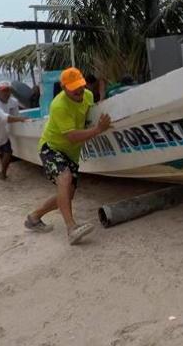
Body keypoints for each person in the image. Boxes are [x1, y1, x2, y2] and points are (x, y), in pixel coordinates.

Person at [24, 67, 112, 245]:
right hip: (52, 147)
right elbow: (71, 136)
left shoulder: (87, 96)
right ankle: (71, 228)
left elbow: (92, 112)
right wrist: (98, 130)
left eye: (80, 85)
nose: (79, 91)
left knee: (68, 194)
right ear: (64, 88)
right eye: (73, 88)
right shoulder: (58, 106)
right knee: (65, 178)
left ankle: (34, 217)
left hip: (71, 153)